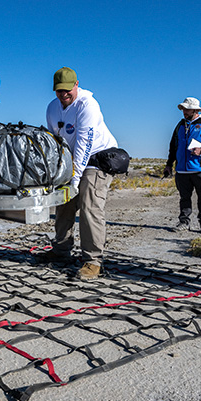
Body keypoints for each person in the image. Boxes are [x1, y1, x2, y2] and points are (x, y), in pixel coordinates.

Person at [43, 67, 118, 280]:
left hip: (98, 158)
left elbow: (85, 144)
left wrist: (75, 180)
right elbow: (54, 141)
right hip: (71, 159)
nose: (64, 95)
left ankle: (93, 261)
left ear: (76, 84)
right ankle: (60, 250)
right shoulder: (52, 107)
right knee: (64, 202)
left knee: (88, 203)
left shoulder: (88, 105)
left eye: (68, 90)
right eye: (59, 91)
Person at [163, 97, 201, 233]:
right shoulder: (180, 125)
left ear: (195, 110)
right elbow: (173, 147)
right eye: (183, 109)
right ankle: (184, 222)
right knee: (184, 198)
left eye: (187, 109)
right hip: (181, 170)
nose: (184, 111)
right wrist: (168, 165)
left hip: (200, 169)